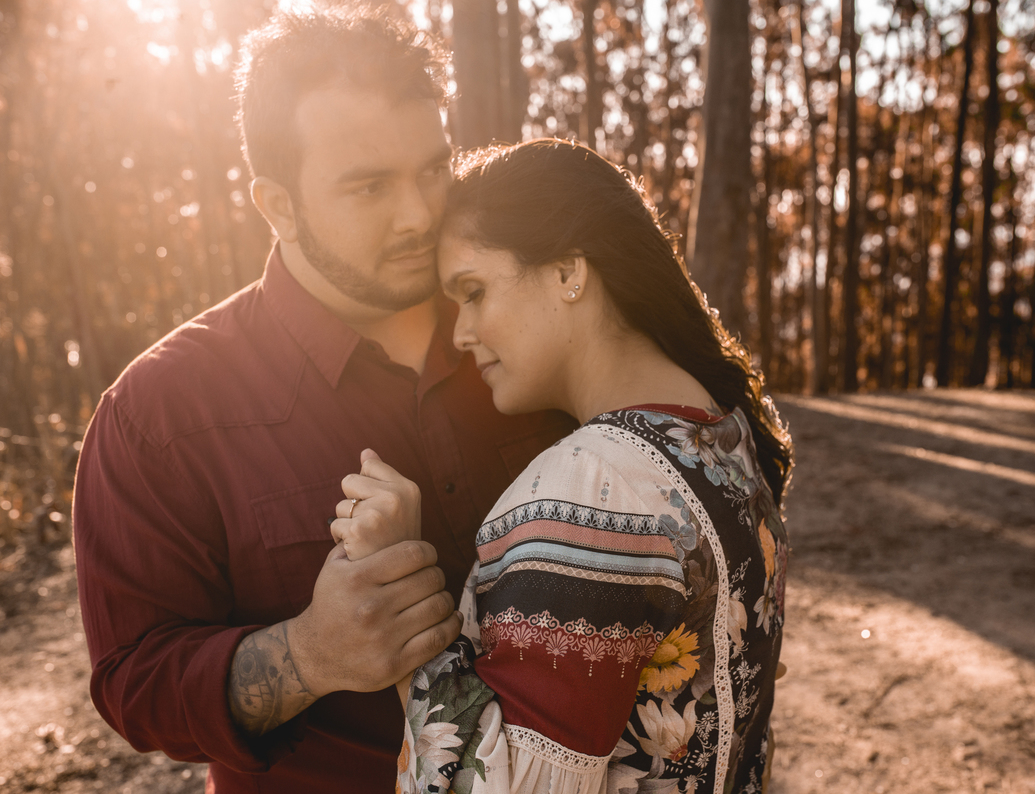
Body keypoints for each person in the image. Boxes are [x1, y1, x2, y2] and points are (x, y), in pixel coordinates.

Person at [71, 5, 572, 793]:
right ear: (276, 204)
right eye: (370, 186)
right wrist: (306, 655)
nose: (419, 213)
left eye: (432, 169)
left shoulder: (542, 324)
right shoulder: (159, 414)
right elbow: (135, 683)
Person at [333, 139, 794, 794]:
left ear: (569, 272)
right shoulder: (723, 433)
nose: (461, 334)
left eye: (474, 290)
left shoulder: (588, 495)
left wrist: (405, 598)